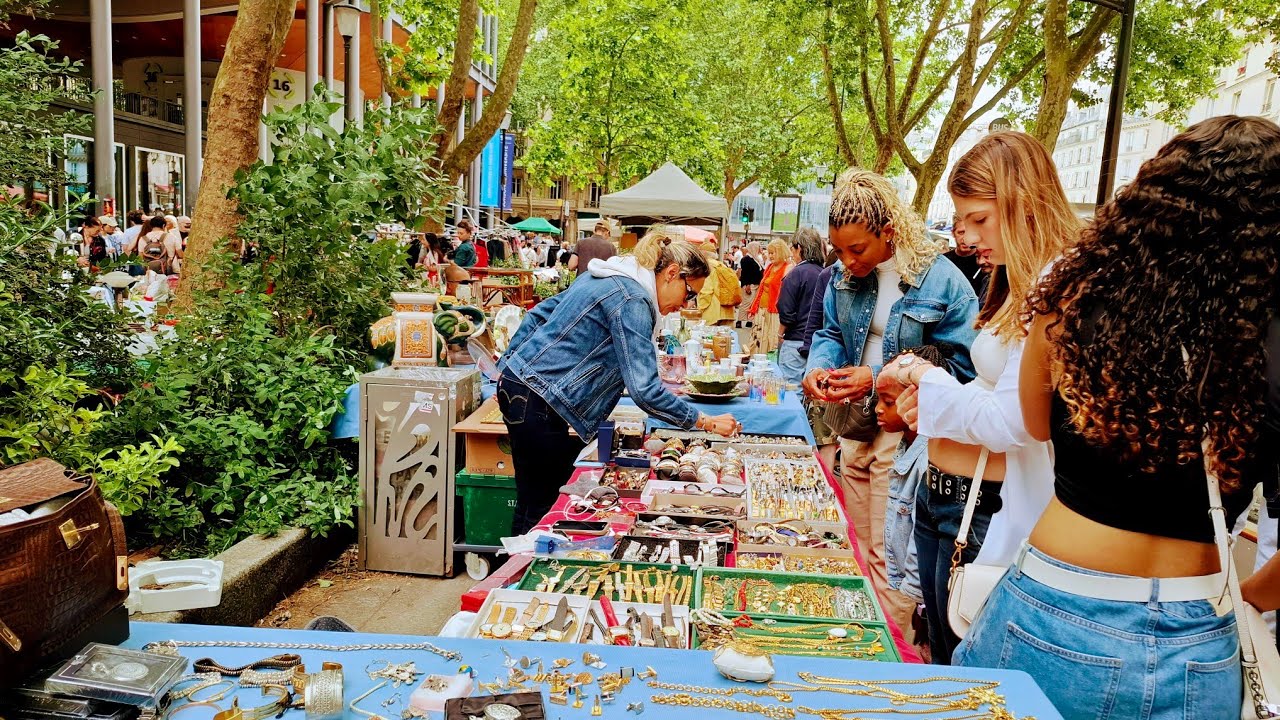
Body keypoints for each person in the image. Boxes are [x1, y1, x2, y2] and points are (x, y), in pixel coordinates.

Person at [954, 116, 1280, 719]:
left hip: (1054, 601)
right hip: (1197, 629)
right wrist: (1245, 599)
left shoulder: (1075, 297)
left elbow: (1031, 417)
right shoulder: (1259, 341)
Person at [890, 131, 1077, 664]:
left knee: (967, 666)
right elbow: (994, 387)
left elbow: (1017, 420)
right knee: (944, 653)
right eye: (962, 221)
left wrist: (928, 384)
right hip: (952, 496)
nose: (968, 237)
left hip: (987, 507)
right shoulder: (1021, 279)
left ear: (1022, 204)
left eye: (979, 219)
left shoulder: (1055, 284)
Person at [802, 167, 978, 638]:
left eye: (856, 249)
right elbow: (830, 333)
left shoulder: (943, 282)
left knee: (891, 552)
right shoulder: (843, 278)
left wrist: (876, 377)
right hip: (858, 425)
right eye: (838, 250)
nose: (846, 261)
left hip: (908, 435)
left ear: (889, 232)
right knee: (860, 543)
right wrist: (818, 368)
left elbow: (963, 370)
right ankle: (868, 633)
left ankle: (891, 646)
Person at [497, 232, 743, 534]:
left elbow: (537, 315)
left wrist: (509, 366)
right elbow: (645, 390)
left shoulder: (605, 275)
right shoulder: (632, 298)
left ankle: (513, 568)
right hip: (541, 400)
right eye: (690, 293)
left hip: (526, 390)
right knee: (542, 505)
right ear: (671, 274)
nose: (686, 305)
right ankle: (520, 573)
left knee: (532, 500)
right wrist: (705, 421)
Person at [775, 228, 826, 384]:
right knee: (811, 392)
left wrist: (779, 335)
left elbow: (786, 310)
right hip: (818, 343)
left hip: (795, 341)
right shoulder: (825, 274)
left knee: (792, 391)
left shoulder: (795, 274)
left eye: (793, 248)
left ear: (800, 249)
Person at [746, 239, 792, 354]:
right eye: (769, 253)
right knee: (759, 338)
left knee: (772, 339)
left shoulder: (788, 268)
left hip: (775, 311)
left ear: (781, 252)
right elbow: (761, 289)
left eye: (773, 253)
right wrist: (754, 307)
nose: (770, 256)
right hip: (762, 309)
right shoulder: (770, 267)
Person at [694, 238, 740, 326]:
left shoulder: (706, 267)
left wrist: (700, 309)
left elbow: (706, 291)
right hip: (727, 311)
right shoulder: (722, 265)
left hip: (713, 312)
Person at [943, 215, 987, 298]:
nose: (965, 238)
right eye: (961, 232)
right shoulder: (943, 261)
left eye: (969, 233)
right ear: (953, 233)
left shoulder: (985, 261)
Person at [736, 241, 765, 327]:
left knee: (752, 303)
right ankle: (740, 320)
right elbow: (745, 273)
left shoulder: (755, 259)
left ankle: (749, 320)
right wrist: (747, 285)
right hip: (750, 285)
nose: (760, 249)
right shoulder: (746, 259)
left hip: (756, 284)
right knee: (746, 303)